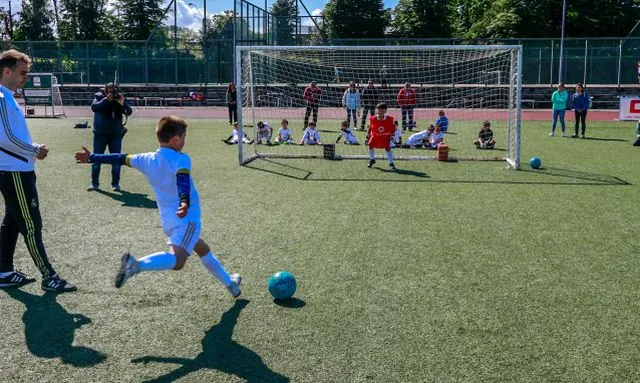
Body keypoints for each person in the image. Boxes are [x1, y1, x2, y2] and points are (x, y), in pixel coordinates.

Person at [74, 115, 242, 296]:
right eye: (184, 138)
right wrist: (184, 201)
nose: (184, 142)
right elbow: (182, 179)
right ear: (176, 139)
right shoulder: (181, 159)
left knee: (201, 248)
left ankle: (230, 284)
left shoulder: (146, 158)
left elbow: (120, 158)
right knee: (178, 262)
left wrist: (92, 157)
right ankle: (136, 266)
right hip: (186, 217)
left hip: (168, 219)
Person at [0, 49, 76, 292]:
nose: (26, 77)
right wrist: (34, 149)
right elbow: (5, 137)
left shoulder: (7, 96)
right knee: (31, 224)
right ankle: (49, 277)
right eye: (23, 73)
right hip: (14, 170)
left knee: (12, 220)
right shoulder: (1, 97)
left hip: (17, 168)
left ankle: (4, 272)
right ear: (7, 71)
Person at [89, 81, 133, 192]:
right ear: (105, 89)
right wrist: (106, 100)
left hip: (115, 135)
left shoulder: (120, 98)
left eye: (113, 89)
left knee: (116, 161)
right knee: (96, 160)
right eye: (108, 89)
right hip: (100, 134)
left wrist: (122, 103)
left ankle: (115, 183)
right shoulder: (99, 97)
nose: (111, 92)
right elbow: (94, 107)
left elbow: (129, 111)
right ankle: (94, 183)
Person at [366, 102, 396, 170]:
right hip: (375, 136)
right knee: (370, 145)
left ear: (385, 111)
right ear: (377, 110)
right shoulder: (373, 118)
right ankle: (372, 159)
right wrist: (367, 135)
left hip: (385, 136)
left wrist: (392, 135)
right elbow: (370, 127)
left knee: (387, 149)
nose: (380, 111)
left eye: (382, 110)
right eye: (379, 110)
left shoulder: (390, 119)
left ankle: (391, 163)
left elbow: (393, 127)